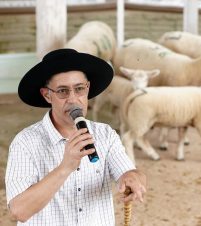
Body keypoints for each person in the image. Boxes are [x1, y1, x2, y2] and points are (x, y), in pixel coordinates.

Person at [5, 49, 146, 226]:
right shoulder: (25, 142)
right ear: (47, 95)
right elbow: (19, 211)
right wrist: (66, 167)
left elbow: (130, 173)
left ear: (87, 89)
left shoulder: (105, 134)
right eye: (63, 91)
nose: (73, 99)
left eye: (79, 89)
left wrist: (132, 177)